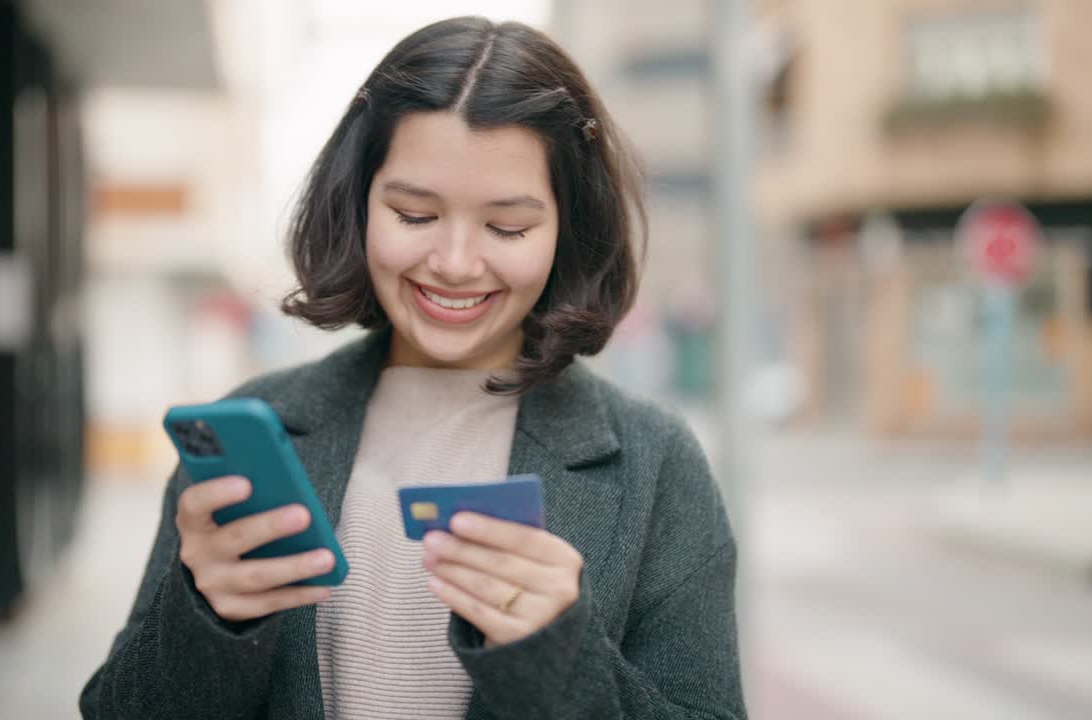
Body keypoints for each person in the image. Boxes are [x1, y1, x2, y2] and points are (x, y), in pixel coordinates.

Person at [80, 16, 744, 720]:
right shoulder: (255, 435)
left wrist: (562, 657)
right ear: (359, 203)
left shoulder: (653, 463)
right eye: (414, 214)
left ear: (567, 229)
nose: (455, 262)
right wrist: (204, 616)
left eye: (507, 227)